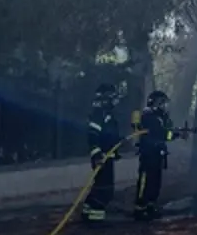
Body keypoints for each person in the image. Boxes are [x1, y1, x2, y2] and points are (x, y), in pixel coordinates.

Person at [133, 89, 190, 220]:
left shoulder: (160, 117)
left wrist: (178, 132)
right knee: (145, 181)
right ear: (155, 103)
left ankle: (150, 206)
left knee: (155, 182)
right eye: (162, 103)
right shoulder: (148, 115)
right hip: (148, 154)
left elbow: (166, 131)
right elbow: (161, 133)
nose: (164, 106)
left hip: (157, 154)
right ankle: (139, 209)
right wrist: (178, 134)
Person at [81, 82, 126, 224]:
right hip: (102, 157)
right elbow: (93, 135)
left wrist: (118, 141)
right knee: (105, 189)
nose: (115, 100)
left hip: (107, 156)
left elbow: (107, 134)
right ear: (106, 98)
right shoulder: (99, 115)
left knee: (99, 185)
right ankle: (95, 218)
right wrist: (97, 154)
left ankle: (87, 211)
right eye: (113, 97)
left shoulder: (106, 114)